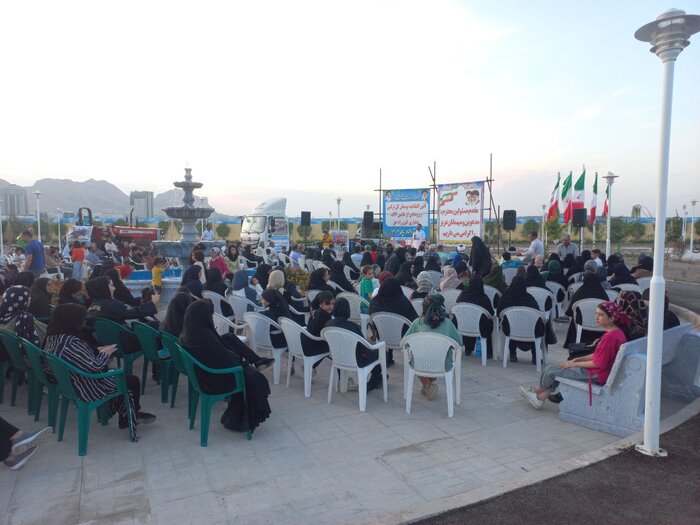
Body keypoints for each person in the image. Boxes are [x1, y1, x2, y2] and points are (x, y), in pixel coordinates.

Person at [44, 304, 156, 438]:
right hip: (85, 386)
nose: (84, 322)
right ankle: (130, 416)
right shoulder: (71, 343)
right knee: (131, 381)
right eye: (81, 319)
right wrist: (105, 354)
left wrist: (97, 351)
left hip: (69, 384)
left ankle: (130, 414)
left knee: (123, 378)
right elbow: (94, 367)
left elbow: (79, 359)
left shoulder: (53, 338)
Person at [179, 300, 272, 433]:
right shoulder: (206, 338)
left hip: (203, 376)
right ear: (203, 317)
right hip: (214, 380)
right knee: (255, 379)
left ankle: (234, 416)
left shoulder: (190, 334)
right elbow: (227, 359)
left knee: (230, 341)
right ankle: (240, 419)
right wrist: (243, 363)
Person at [519, 301, 629, 409]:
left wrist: (572, 364)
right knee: (560, 368)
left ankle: (535, 391)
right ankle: (540, 398)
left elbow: (598, 363)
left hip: (596, 374)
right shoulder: (616, 333)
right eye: (596, 313)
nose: (596, 317)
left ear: (611, 318)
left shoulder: (610, 338)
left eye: (601, 315)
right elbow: (597, 355)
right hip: (601, 372)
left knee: (551, 370)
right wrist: (577, 359)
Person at [404, 294, 462, 400]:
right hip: (442, 363)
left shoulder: (417, 323)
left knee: (421, 356)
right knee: (432, 355)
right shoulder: (448, 324)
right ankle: (428, 386)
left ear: (424, 308)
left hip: (419, 363)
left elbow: (405, 342)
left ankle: (427, 386)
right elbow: (459, 343)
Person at [85, 276, 159, 354]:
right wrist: (152, 303)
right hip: (122, 344)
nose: (114, 288)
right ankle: (160, 360)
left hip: (107, 342)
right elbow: (132, 313)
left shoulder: (93, 305)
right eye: (111, 285)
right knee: (155, 326)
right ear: (103, 288)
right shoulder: (110, 304)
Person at [327, 297, 383, 392]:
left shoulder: (328, 325)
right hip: (356, 360)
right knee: (380, 353)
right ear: (348, 310)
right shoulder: (352, 327)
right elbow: (363, 347)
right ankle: (374, 381)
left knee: (374, 353)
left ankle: (377, 377)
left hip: (338, 358)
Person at [497, 276, 544, 363]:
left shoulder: (505, 298)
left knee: (510, 324)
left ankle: (512, 354)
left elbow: (498, 314)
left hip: (510, 330)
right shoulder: (529, 299)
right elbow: (538, 314)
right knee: (536, 325)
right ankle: (535, 356)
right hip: (530, 331)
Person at [563, 272, 609, 349]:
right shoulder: (602, 293)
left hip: (582, 325)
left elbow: (571, 311)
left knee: (575, 319)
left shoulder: (580, 292)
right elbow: (608, 309)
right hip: (600, 326)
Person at [456, 274, 494, 358]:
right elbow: (491, 314)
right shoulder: (484, 298)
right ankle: (488, 352)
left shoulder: (462, 296)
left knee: (467, 319)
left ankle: (468, 348)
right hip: (480, 329)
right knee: (487, 322)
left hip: (463, 326)